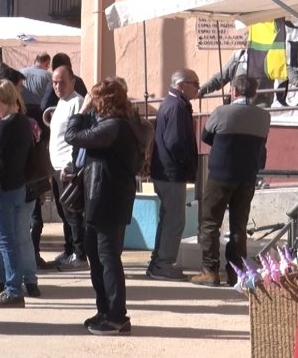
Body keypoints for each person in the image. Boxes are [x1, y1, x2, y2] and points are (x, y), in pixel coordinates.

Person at [65, 79, 152, 335]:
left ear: (104, 101)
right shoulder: (119, 125)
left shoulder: (114, 127)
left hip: (107, 199)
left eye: (95, 99)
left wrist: (81, 111)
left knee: (108, 258)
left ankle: (117, 315)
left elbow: (73, 136)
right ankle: (104, 310)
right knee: (95, 254)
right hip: (101, 198)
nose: (91, 104)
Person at [191, 75, 271, 287]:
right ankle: (236, 272)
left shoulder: (221, 112)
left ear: (234, 91)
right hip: (247, 177)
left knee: (210, 222)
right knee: (238, 226)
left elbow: (206, 137)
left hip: (220, 175)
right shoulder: (264, 117)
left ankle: (210, 270)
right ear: (253, 93)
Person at [0, 80, 35, 308]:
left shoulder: (3, 125)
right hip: (19, 187)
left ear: (7, 99)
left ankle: (12, 289)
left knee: (4, 242)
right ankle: (10, 284)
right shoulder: (23, 122)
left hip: (1, 189)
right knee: (16, 240)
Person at [147, 69, 199, 281]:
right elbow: (175, 142)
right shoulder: (177, 106)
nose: (198, 87)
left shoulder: (173, 103)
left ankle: (158, 261)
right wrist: (186, 162)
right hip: (171, 173)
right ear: (182, 85)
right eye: (195, 83)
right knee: (174, 220)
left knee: (168, 218)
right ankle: (163, 264)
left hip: (165, 171)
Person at [47, 66, 88, 271]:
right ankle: (70, 249)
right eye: (54, 82)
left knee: (73, 213)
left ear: (72, 81)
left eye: (62, 82)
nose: (57, 86)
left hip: (67, 167)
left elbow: (77, 139)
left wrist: (69, 165)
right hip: (56, 167)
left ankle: (80, 255)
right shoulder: (61, 103)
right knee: (64, 212)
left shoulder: (77, 102)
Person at [18, 53, 52, 123]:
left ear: (35, 60)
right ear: (47, 63)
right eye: (48, 65)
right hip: (39, 112)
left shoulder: (21, 72)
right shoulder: (48, 76)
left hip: (22, 110)